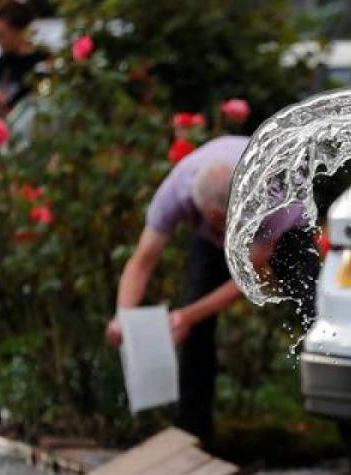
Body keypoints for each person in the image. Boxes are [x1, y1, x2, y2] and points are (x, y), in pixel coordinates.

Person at [106, 134, 318, 446]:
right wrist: (122, 317)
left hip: (288, 229)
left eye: (227, 225)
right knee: (195, 329)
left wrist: (187, 315)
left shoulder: (274, 198)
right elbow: (142, 261)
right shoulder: (176, 192)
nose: (224, 235)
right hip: (220, 214)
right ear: (204, 211)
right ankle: (193, 436)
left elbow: (250, 280)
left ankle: (350, 426)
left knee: (317, 314)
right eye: (218, 225)